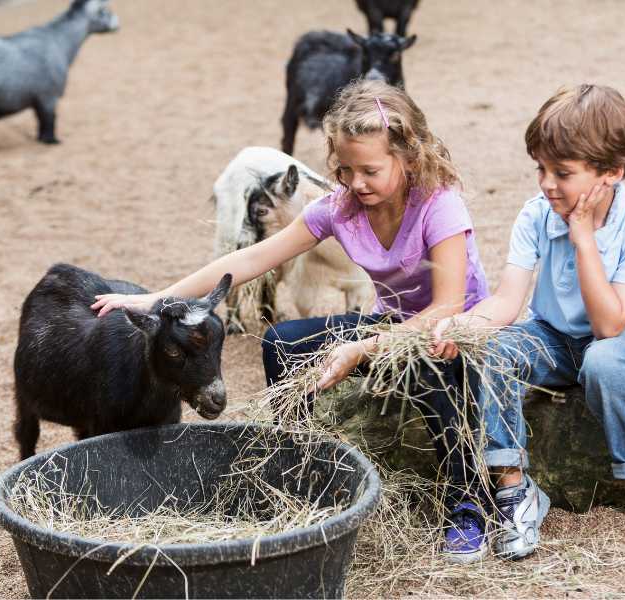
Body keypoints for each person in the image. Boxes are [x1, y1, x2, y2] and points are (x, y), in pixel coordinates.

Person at [92, 78, 490, 562]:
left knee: (437, 366)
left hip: (453, 332)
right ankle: (297, 472)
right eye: (345, 169)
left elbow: (446, 307)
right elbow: (254, 258)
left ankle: (468, 500)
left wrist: (362, 349)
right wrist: (155, 299)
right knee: (282, 341)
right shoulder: (342, 207)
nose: (356, 182)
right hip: (390, 325)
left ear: (408, 158)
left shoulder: (438, 204)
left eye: (370, 170)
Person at [429, 83, 625, 564]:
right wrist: (464, 326)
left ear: (612, 172)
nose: (547, 183)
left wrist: (584, 237)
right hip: (550, 337)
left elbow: (610, 325)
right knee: (492, 350)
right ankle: (514, 490)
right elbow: (507, 301)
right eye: (541, 169)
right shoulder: (535, 216)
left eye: (562, 173)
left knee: (605, 363)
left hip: (621, 339)